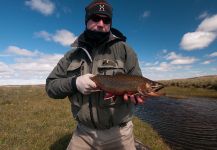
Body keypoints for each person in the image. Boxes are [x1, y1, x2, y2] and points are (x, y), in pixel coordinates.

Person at [46, 0, 146, 149]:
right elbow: (50, 87)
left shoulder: (126, 50)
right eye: (95, 18)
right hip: (83, 133)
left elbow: (137, 82)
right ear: (86, 20)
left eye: (106, 20)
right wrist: (74, 83)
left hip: (120, 133)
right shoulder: (71, 55)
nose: (101, 24)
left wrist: (136, 95)